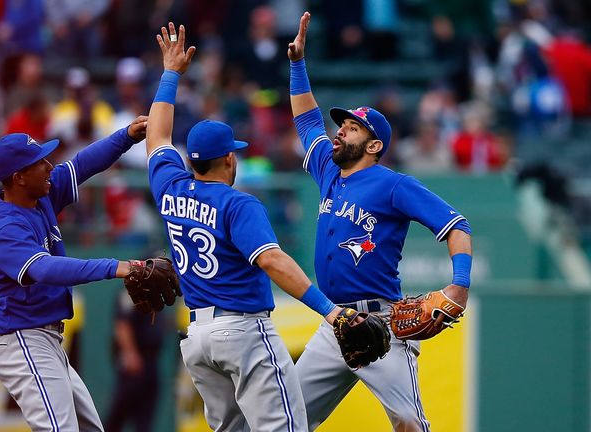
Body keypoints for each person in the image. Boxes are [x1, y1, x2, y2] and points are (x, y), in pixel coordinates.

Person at [145, 22, 362, 431]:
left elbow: (156, 136)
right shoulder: (238, 203)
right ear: (230, 158)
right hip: (243, 331)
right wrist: (331, 313)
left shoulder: (169, 186)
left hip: (198, 337)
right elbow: (273, 262)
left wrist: (170, 74)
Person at [287, 12, 473, 431]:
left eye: (352, 128)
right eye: (342, 125)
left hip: (382, 323)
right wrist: (297, 64)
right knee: (286, 420)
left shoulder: (394, 185)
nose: (340, 132)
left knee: (409, 424)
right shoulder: (328, 170)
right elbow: (307, 120)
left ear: (373, 145)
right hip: (335, 323)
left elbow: (457, 226)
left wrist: (459, 284)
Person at [0, 116, 155, 431]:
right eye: (40, 162)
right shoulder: (3, 227)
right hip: (23, 341)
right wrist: (115, 266)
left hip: (46, 341)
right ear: (19, 178)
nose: (49, 166)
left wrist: (127, 136)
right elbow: (44, 268)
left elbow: (82, 165)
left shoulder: (40, 195)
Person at [103, 287, 167, 432]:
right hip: (135, 362)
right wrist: (130, 354)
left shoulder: (155, 291)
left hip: (151, 361)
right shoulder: (131, 292)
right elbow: (123, 325)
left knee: (145, 419)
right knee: (117, 415)